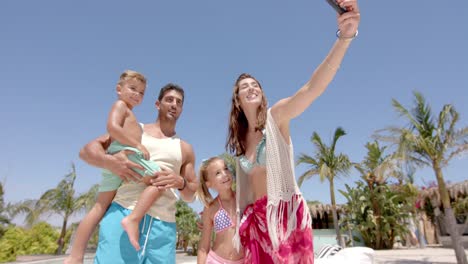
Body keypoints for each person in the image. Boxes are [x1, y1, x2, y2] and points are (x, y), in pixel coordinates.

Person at [225, 1, 360, 263]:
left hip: (285, 215)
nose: (251, 88)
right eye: (244, 86)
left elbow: (311, 89)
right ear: (237, 100)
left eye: (255, 84)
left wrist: (345, 38)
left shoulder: (276, 118)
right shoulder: (241, 142)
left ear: (261, 93)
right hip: (255, 221)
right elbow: (244, 192)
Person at [78, 83, 197, 264]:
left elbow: (191, 194)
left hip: (163, 227)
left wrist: (180, 182)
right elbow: (86, 152)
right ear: (158, 104)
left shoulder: (185, 148)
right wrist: (112, 162)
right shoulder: (133, 129)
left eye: (179, 102)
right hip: (123, 214)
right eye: (169, 100)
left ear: (181, 110)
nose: (174, 104)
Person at [65, 70, 164, 263]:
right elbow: (112, 128)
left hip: (121, 158)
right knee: (160, 178)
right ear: (119, 89)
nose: (137, 94)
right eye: (133, 89)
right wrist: (137, 145)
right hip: (126, 154)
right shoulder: (120, 106)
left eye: (142, 92)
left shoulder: (131, 114)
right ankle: (132, 219)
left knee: (99, 207)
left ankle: (75, 257)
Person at [197, 157, 245, 264]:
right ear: (209, 183)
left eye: (226, 168)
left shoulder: (243, 200)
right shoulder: (210, 208)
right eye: (218, 173)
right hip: (216, 261)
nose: (225, 174)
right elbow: (204, 247)